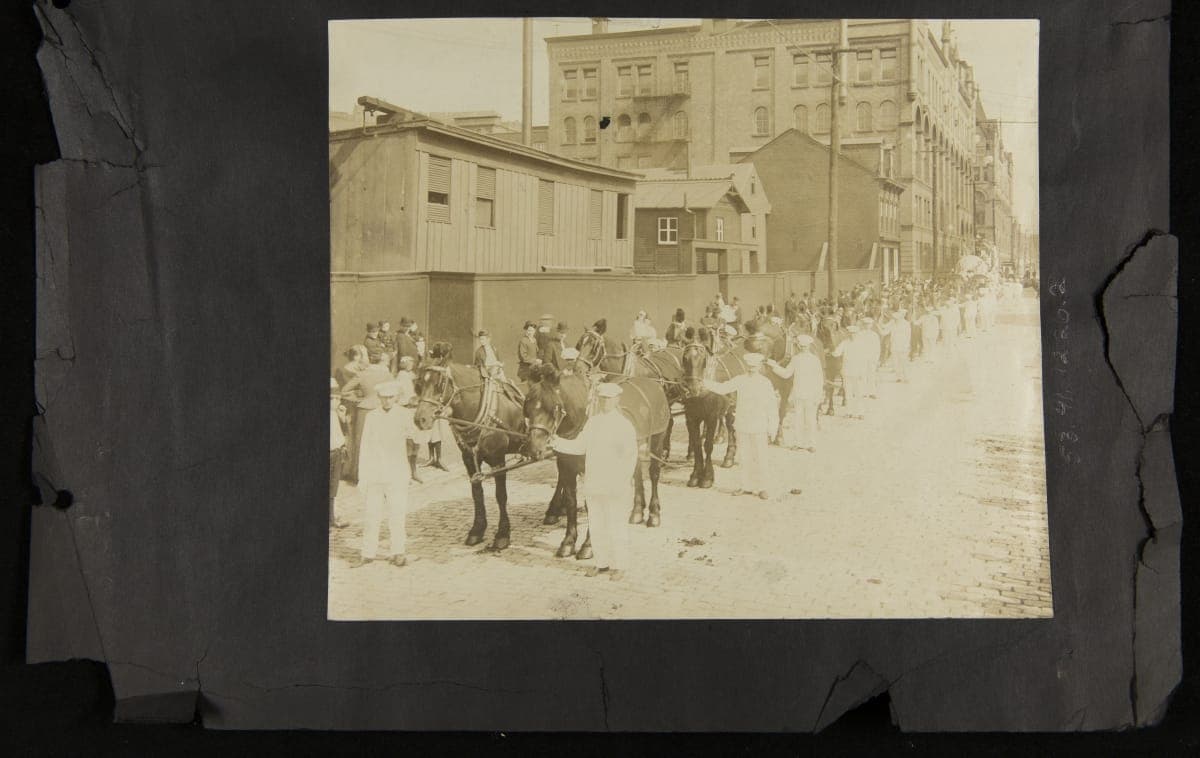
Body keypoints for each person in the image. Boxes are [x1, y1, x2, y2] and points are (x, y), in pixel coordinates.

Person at [549, 383, 637, 580]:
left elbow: (630, 457)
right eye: (603, 398)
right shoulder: (593, 423)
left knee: (616, 525)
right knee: (596, 524)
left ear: (617, 400)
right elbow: (579, 446)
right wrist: (556, 442)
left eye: (609, 399)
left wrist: (622, 483)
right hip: (594, 483)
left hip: (614, 485)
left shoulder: (624, 426)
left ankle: (621, 566)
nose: (605, 402)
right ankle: (601, 563)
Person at [352, 380, 417, 568]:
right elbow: (365, 446)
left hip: (397, 473)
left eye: (390, 397)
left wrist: (416, 431)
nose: (387, 401)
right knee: (372, 515)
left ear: (396, 397)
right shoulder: (372, 417)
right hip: (375, 473)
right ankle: (367, 553)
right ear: (379, 397)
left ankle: (398, 552)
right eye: (383, 397)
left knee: (397, 514)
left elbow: (416, 437)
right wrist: (363, 476)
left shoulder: (404, 415)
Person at [703, 353, 779, 499]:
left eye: (754, 366)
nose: (752, 369)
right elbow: (723, 388)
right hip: (743, 424)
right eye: (750, 366)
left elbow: (771, 406)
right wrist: (704, 382)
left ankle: (763, 487)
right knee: (744, 456)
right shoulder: (740, 380)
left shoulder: (765, 383)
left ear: (760, 366)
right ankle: (745, 486)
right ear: (746, 366)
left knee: (760, 457)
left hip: (759, 425)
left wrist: (773, 427)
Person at [338, 351, 394, 482]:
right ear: (381, 361)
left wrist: (359, 398)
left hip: (364, 410)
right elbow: (396, 392)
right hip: (381, 410)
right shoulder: (387, 375)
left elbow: (344, 391)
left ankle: (358, 475)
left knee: (362, 442)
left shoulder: (362, 374)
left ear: (370, 360)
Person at [767, 335, 823, 452]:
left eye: (805, 346)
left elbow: (819, 380)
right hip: (798, 393)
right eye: (801, 346)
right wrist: (774, 366)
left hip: (811, 394)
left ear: (809, 346)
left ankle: (811, 444)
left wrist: (818, 396)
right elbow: (786, 374)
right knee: (798, 419)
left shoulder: (815, 360)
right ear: (798, 346)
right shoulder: (796, 359)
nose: (803, 348)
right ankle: (798, 443)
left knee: (810, 420)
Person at [329, 378, 350, 528]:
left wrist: (343, 419)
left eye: (338, 399)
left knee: (333, 487)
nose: (336, 402)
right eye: (332, 399)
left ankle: (331, 518)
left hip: (336, 453)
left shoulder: (336, 414)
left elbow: (344, 434)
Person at [889, 308, 912, 382]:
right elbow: (886, 331)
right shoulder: (892, 323)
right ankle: (898, 377)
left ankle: (906, 377)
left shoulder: (906, 324)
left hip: (903, 345)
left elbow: (908, 335)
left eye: (901, 315)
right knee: (895, 362)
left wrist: (908, 345)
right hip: (894, 345)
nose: (897, 318)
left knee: (904, 362)